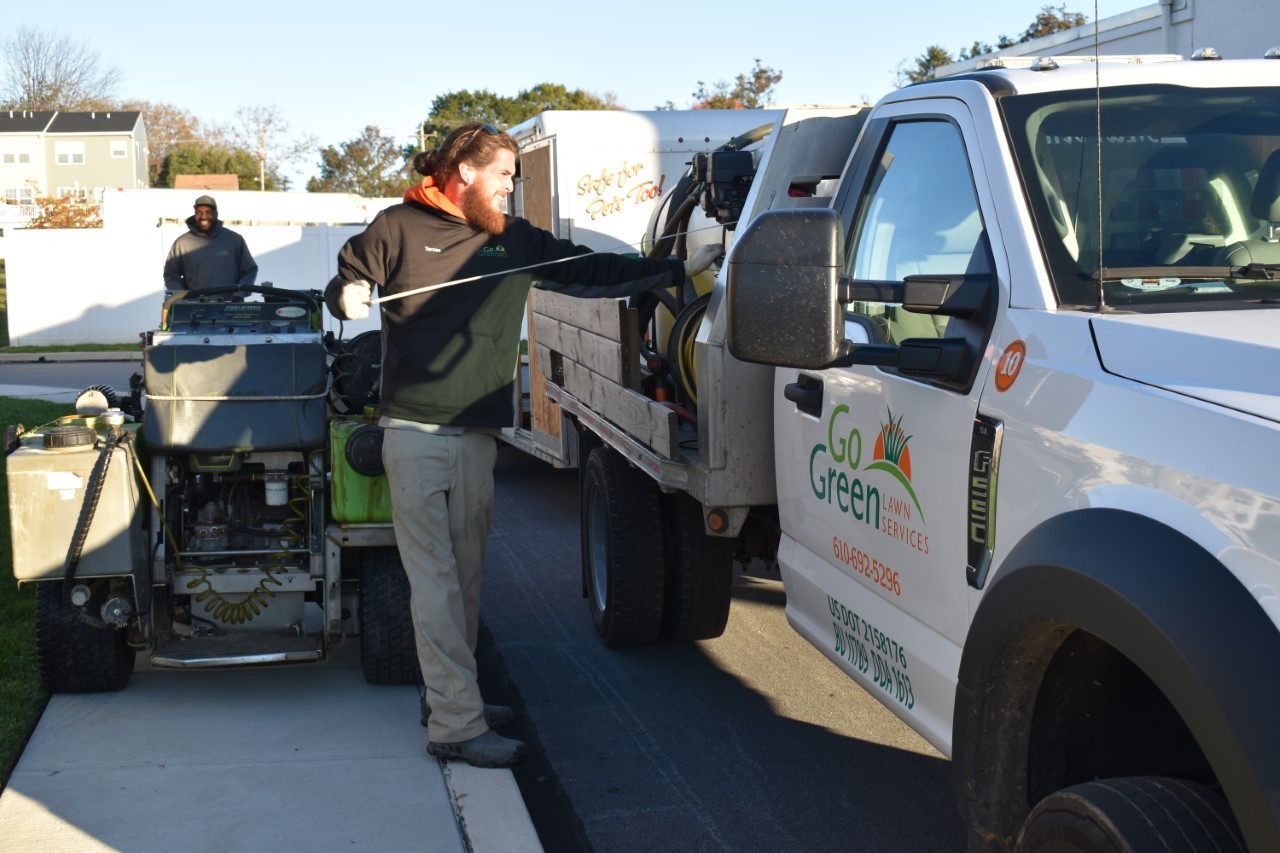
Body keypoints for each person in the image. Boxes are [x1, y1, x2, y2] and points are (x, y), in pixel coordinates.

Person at [325, 121, 721, 769]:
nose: (512, 186)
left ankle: (449, 694)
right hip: (415, 433)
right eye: (505, 174)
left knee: (468, 578)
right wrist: (348, 292)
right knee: (435, 583)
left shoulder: (513, 242)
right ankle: (455, 722)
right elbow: (350, 276)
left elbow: (592, 270)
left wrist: (675, 268)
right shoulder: (397, 226)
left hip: (478, 433)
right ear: (466, 173)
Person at [162, 195, 258, 292]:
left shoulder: (234, 240)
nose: (203, 216)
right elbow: (171, 275)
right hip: (194, 305)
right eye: (199, 212)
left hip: (229, 305)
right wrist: (181, 297)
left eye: (208, 212)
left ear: (216, 214)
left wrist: (239, 294)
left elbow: (249, 271)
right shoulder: (182, 243)